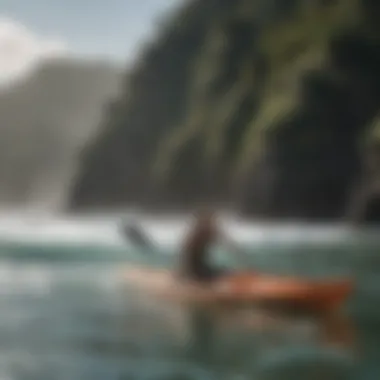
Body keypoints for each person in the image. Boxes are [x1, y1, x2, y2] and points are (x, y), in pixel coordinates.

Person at [177, 207, 229, 283]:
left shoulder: (197, 234)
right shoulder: (202, 234)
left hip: (195, 270)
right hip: (196, 273)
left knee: (224, 271)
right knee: (224, 272)